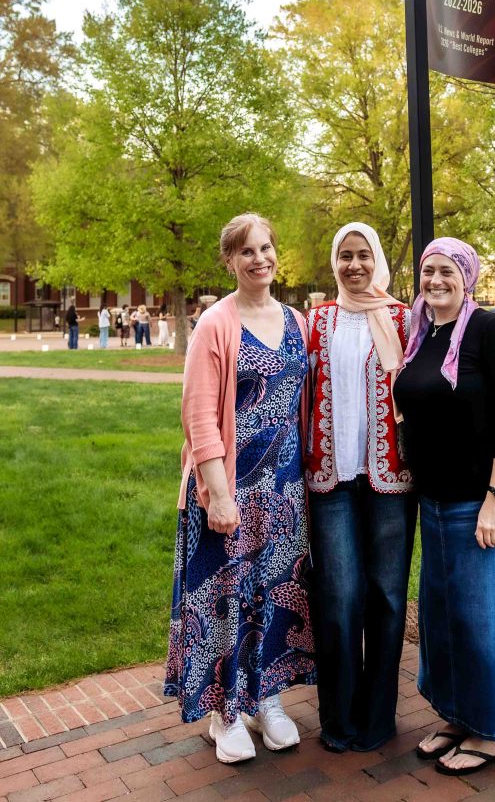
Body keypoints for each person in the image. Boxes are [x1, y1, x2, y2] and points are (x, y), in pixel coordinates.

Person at [164, 213, 315, 764]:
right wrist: (218, 491)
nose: (260, 259)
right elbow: (199, 413)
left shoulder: (297, 320)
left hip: (283, 493)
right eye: (246, 251)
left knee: (274, 593)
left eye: (267, 248)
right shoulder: (215, 323)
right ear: (229, 260)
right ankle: (223, 714)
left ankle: (266, 698)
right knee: (224, 601)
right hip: (227, 489)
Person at [394, 238, 495, 777]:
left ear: (468, 277)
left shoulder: (488, 330)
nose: (435, 280)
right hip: (433, 498)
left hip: (480, 498)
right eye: (428, 271)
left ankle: (492, 732)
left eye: (447, 272)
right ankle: (458, 714)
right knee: (442, 617)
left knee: (479, 619)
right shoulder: (421, 331)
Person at [306, 222, 416, 754]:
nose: (354, 265)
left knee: (388, 599)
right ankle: (339, 718)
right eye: (345, 256)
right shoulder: (318, 321)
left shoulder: (403, 319)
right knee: (340, 598)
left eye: (363, 255)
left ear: (377, 260)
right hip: (331, 481)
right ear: (335, 262)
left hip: (391, 480)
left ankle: (378, 718)